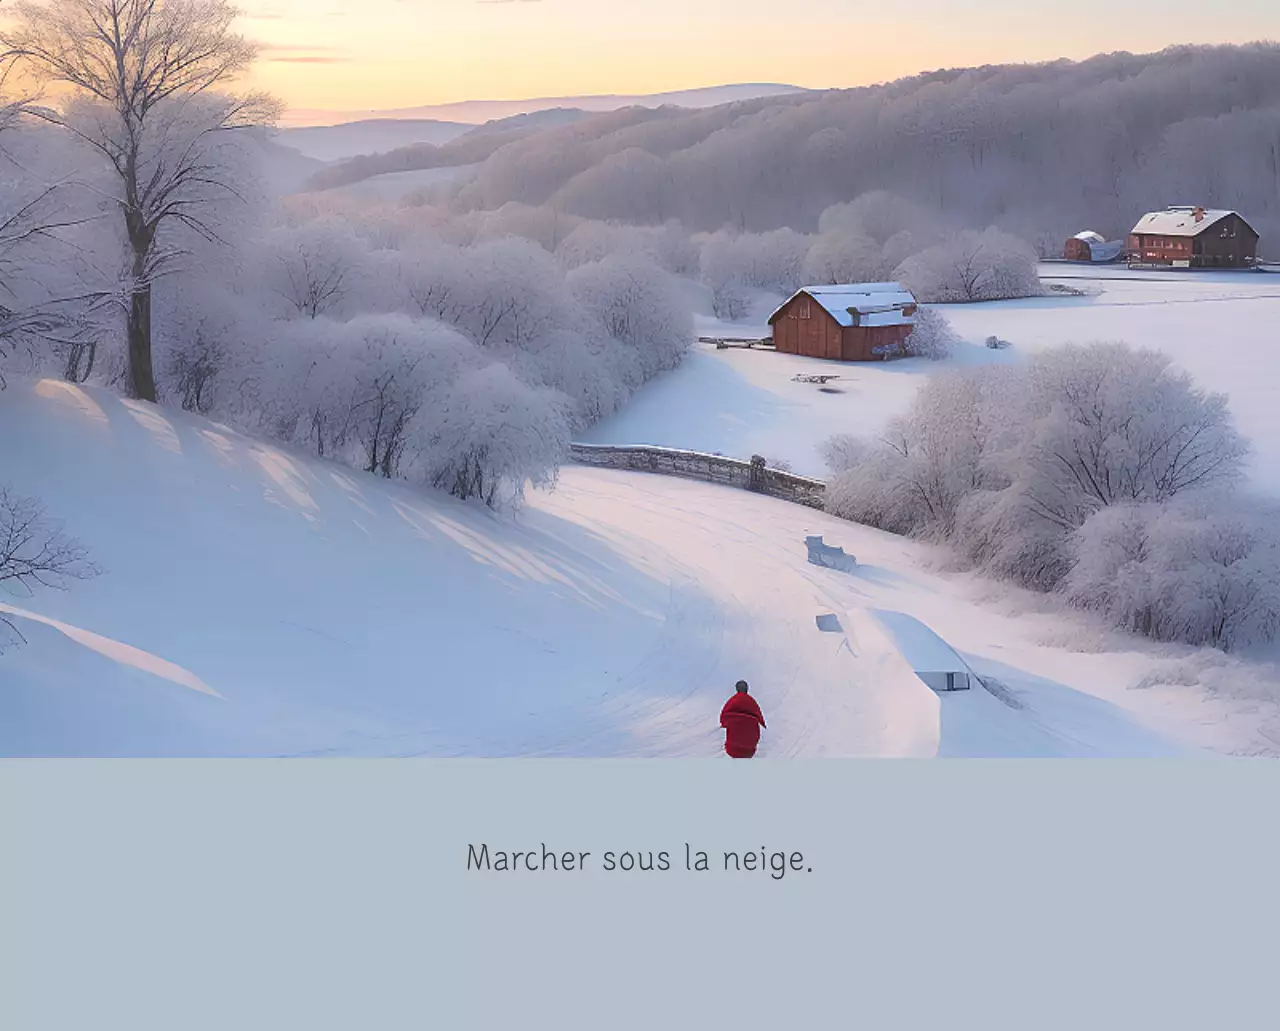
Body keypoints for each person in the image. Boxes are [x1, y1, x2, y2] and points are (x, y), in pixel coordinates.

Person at [720, 680, 766, 759]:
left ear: (736, 689)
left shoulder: (732, 700)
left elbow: (723, 719)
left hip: (732, 748)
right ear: (747, 689)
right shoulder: (752, 701)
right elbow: (760, 718)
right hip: (750, 750)